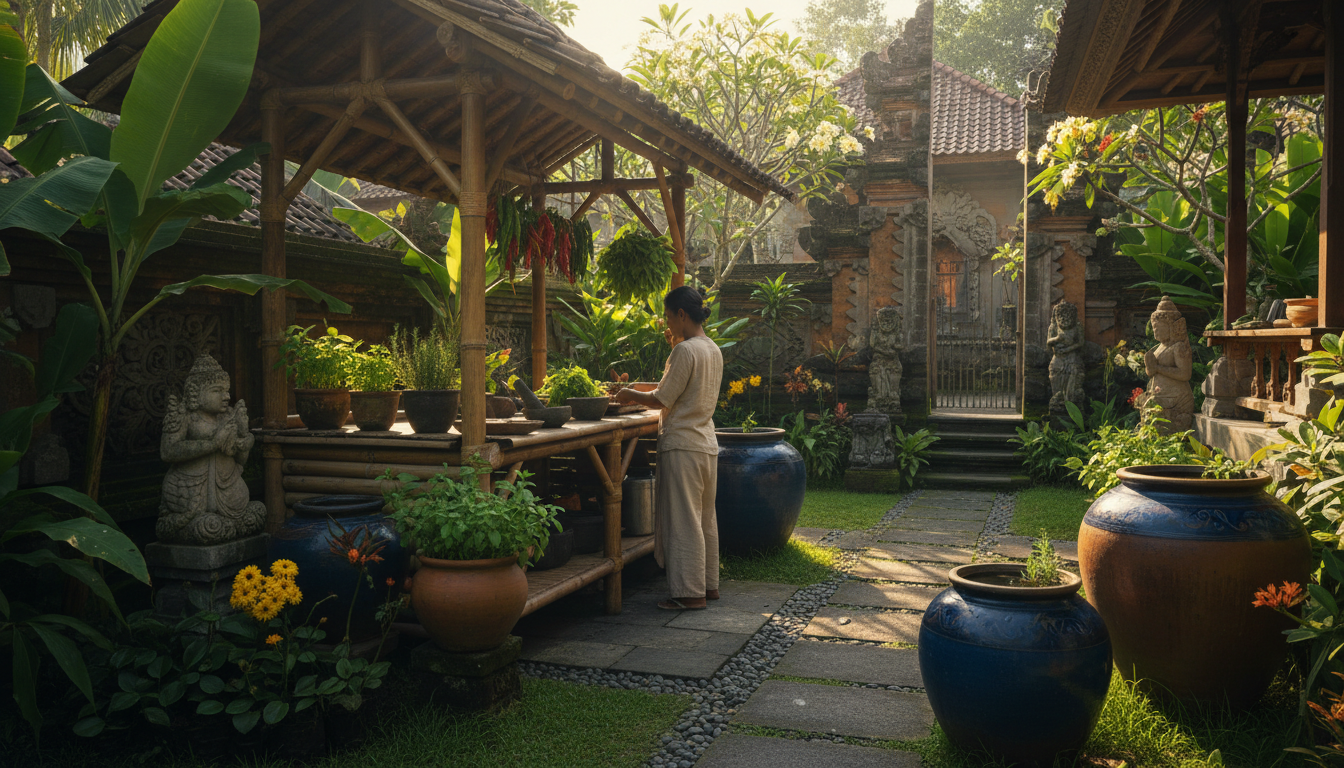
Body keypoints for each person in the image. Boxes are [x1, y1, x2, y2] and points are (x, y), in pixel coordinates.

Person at [615, 286, 723, 610]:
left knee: (684, 521)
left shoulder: (685, 351)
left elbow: (662, 398)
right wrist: (633, 388)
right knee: (705, 518)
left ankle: (689, 594)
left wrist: (627, 395)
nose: (666, 323)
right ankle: (708, 585)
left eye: (667, 316)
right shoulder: (712, 349)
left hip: (682, 447)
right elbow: (672, 388)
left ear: (680, 314)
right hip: (706, 444)